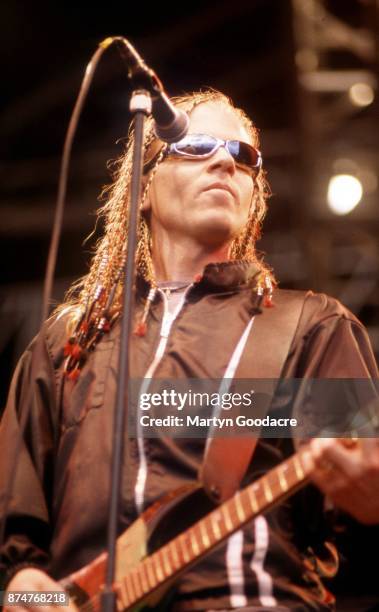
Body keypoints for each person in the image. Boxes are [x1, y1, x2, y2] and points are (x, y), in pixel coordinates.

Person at [1, 89, 378, 612]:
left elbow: (364, 497)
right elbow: (11, 539)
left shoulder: (309, 327)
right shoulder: (66, 344)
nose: (225, 159)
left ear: (253, 196)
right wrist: (21, 584)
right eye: (197, 145)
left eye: (245, 156)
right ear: (144, 186)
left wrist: (372, 501)